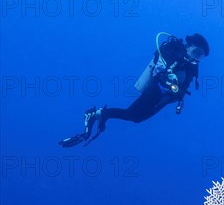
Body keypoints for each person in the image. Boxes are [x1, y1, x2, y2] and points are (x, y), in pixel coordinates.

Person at [59, 32, 210, 147]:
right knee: (132, 114)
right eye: (196, 52)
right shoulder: (172, 48)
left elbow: (185, 87)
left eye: (200, 56)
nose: (196, 57)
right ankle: (95, 115)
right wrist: (166, 75)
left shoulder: (192, 67)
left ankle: (100, 115)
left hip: (166, 98)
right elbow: (159, 62)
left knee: (136, 119)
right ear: (189, 45)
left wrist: (179, 92)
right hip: (156, 89)